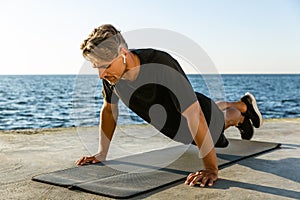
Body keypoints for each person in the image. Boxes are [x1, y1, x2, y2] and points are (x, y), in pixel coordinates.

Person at [75, 24, 263, 187]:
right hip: (181, 120)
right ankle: (240, 105)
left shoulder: (161, 64)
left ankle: (242, 110)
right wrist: (101, 153)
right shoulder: (111, 78)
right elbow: (109, 111)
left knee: (220, 121)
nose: (101, 74)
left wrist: (211, 169)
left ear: (123, 53)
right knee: (195, 114)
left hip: (199, 115)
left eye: (105, 66)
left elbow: (194, 114)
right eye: (97, 67)